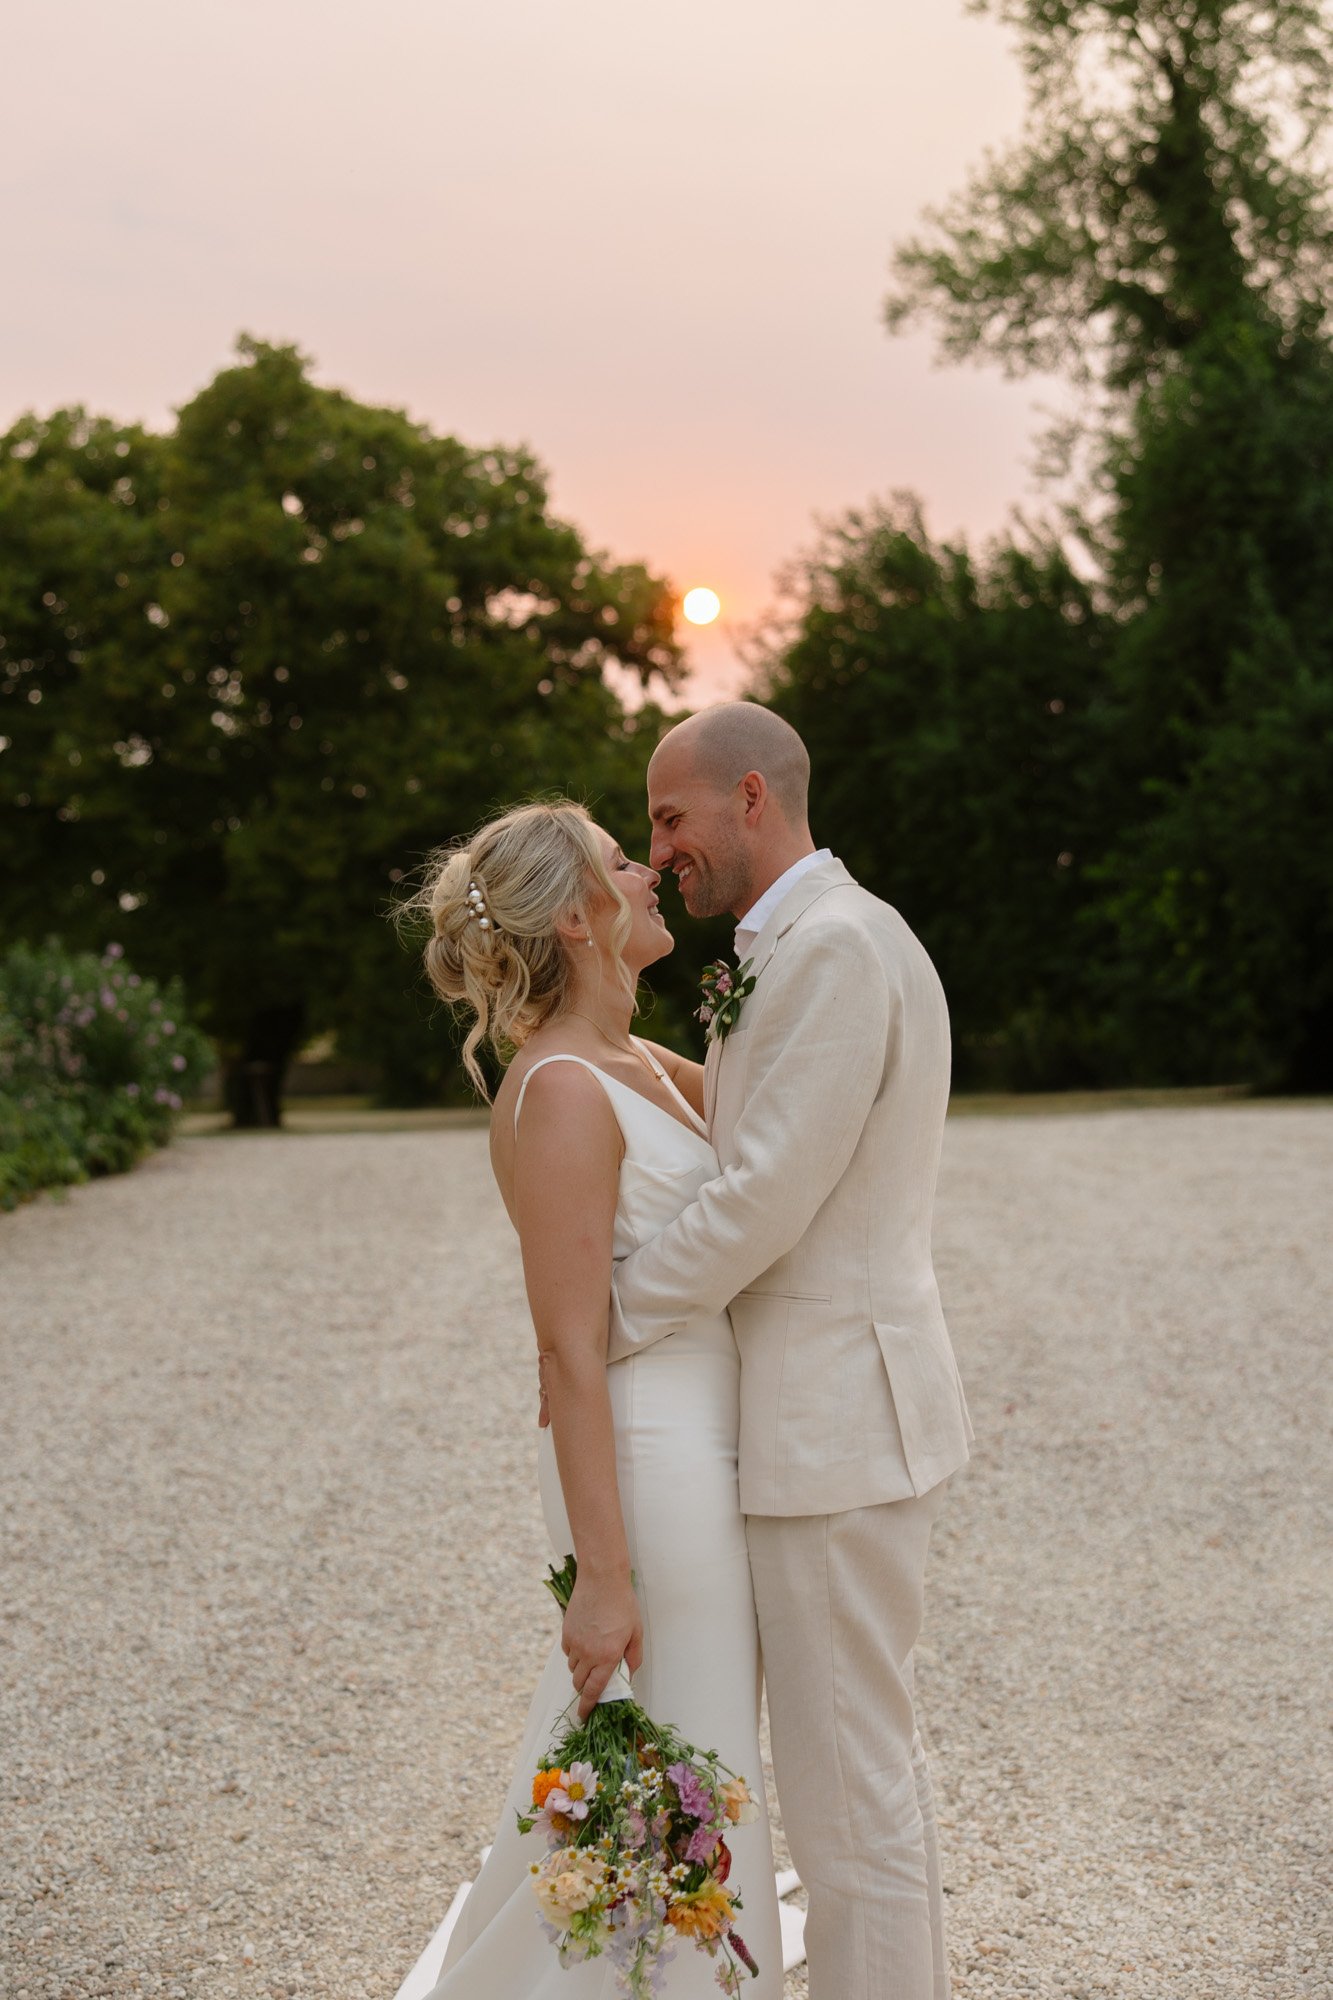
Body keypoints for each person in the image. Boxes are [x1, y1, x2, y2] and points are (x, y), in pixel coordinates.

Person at [606, 703, 974, 2000]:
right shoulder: (799, 946)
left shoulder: (828, 950)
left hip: (836, 1421)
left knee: (847, 1789)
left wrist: (611, 1317)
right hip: (814, 1422)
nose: (658, 854)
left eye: (670, 817)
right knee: (842, 1779)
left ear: (749, 795)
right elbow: (748, 1131)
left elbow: (765, 1194)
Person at [406, 799, 783, 1999]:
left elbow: (781, 1138)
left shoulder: (634, 1062)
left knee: (680, 1763)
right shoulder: (563, 1087)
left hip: (699, 1451)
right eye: (625, 859)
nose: (652, 870)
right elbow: (567, 1350)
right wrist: (604, 1579)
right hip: (645, 1468)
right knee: (677, 1752)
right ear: (577, 916)